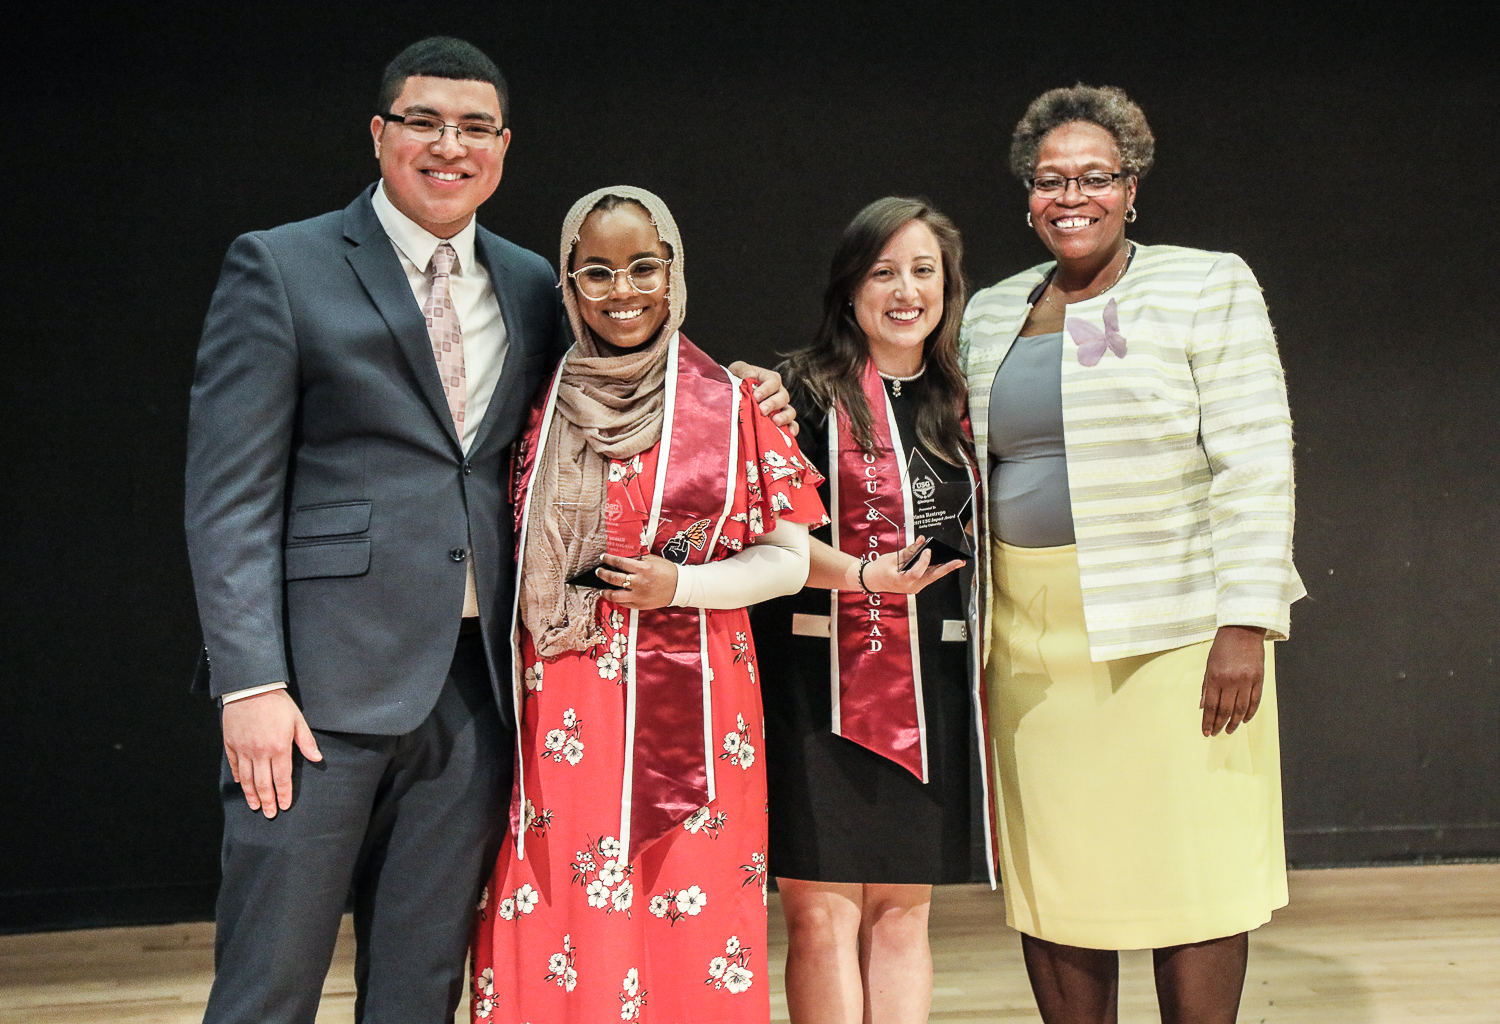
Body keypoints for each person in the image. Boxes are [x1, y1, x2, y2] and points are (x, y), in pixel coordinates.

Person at [184, 40, 792, 1023]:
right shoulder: (282, 264)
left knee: (419, 984)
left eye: (474, 127)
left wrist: (752, 389)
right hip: (318, 696)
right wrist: (251, 682)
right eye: (424, 121)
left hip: (483, 694)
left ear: (503, 148)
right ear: (381, 135)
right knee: (271, 980)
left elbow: (625, 373)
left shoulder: (529, 285)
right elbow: (228, 496)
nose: (448, 145)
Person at [961, 84, 1305, 1024]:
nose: (1072, 197)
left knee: (1191, 871)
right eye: (1050, 181)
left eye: (1095, 178)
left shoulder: (1207, 283)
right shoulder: (990, 310)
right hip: (1032, 643)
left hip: (1177, 629)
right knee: (1061, 878)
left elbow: (1256, 458)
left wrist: (1245, 620)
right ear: (1028, 195)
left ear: (1133, 187)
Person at [469, 186, 827, 1024]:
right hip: (562, 703)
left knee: (685, 895)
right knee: (564, 902)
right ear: (568, 283)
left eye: (642, 268)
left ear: (674, 275)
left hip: (697, 698)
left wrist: (684, 587)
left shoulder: (732, 403)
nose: (622, 291)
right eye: (597, 272)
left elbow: (788, 560)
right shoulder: (532, 407)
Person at [752, 196, 994, 1024]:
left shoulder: (964, 399)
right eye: (883, 271)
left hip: (929, 687)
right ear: (849, 288)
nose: (905, 290)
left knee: (903, 912)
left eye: (923, 271)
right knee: (819, 915)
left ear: (948, 285)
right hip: (813, 684)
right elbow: (767, 543)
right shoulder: (797, 394)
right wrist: (860, 576)